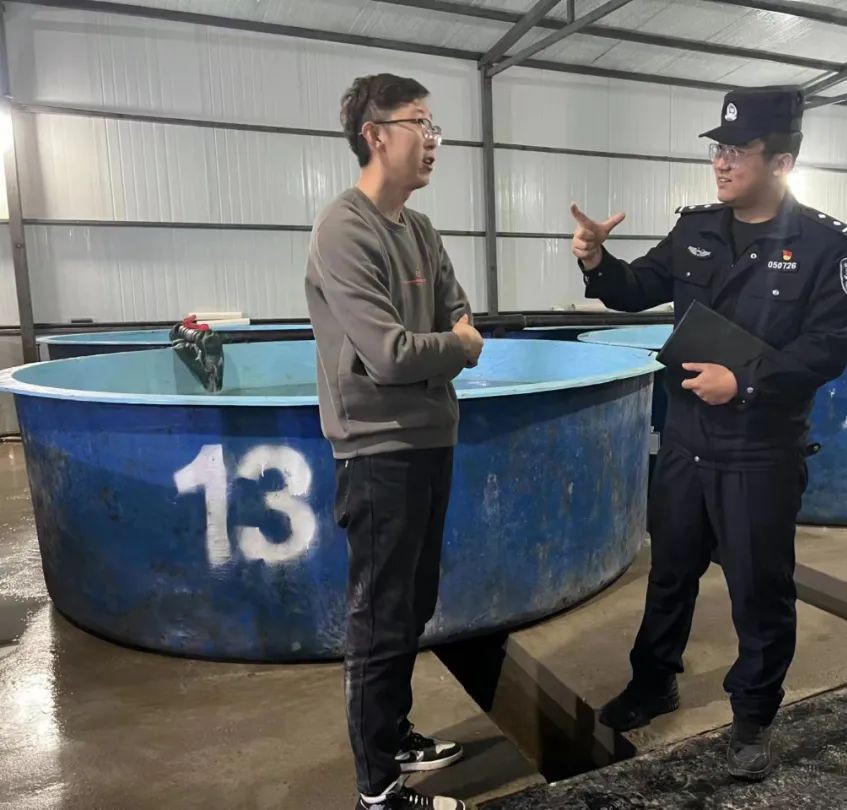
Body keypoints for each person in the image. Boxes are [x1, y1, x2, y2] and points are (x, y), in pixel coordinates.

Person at [570, 86, 847, 781]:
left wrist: (746, 382)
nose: (721, 163)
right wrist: (596, 260)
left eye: (738, 150)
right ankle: (653, 683)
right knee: (669, 574)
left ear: (781, 161)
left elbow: (830, 345)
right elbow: (636, 288)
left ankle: (753, 716)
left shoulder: (823, 243)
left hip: (759, 450)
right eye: (718, 149)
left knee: (759, 588)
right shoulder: (696, 229)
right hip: (686, 439)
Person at [305, 73, 484, 810]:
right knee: (379, 618)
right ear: (376, 135)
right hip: (378, 450)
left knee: (412, 604)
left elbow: (458, 313)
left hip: (431, 439)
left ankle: (394, 734)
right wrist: (455, 348)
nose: (433, 140)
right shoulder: (343, 230)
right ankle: (376, 791)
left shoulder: (421, 230)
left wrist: (445, 342)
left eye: (434, 125)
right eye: (420, 124)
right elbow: (390, 354)